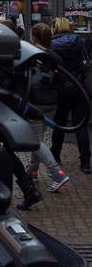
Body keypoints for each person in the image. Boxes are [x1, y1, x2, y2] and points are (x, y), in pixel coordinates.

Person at [25, 23, 69, 192]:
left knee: (35, 140)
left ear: (34, 37)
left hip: (35, 102)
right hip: (52, 102)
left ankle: (56, 173)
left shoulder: (32, 55)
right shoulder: (55, 56)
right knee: (38, 137)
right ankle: (33, 170)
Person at [50, 17, 91, 173]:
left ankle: (55, 154)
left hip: (62, 88)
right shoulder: (80, 41)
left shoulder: (53, 44)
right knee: (80, 124)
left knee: (59, 122)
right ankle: (85, 161)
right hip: (79, 87)